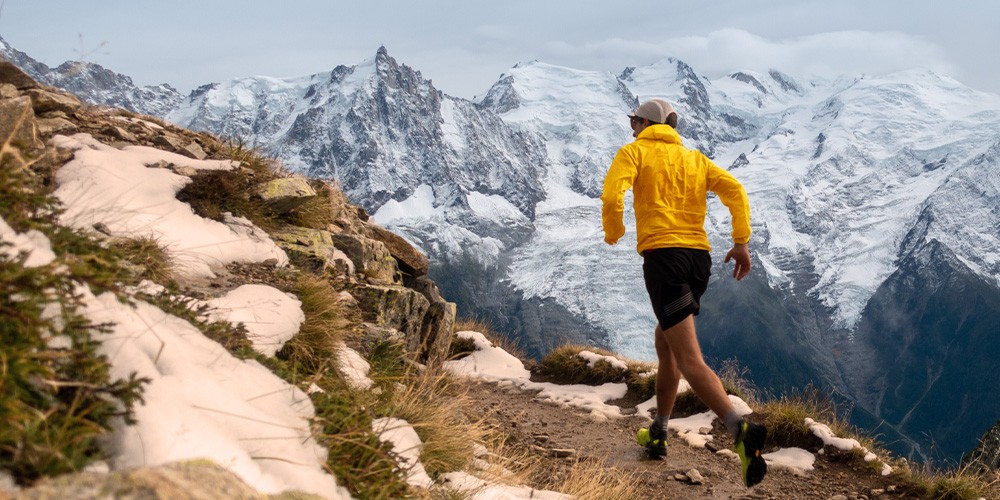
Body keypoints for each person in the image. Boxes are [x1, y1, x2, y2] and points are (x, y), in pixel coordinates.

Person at [600, 98, 767, 487]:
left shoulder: (634, 151)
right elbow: (735, 191)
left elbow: (612, 196)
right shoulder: (695, 159)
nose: (631, 128)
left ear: (644, 122)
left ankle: (740, 429)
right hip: (699, 261)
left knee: (690, 358)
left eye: (633, 122)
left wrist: (614, 230)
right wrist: (741, 241)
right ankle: (658, 433)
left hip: (665, 260)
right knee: (666, 340)